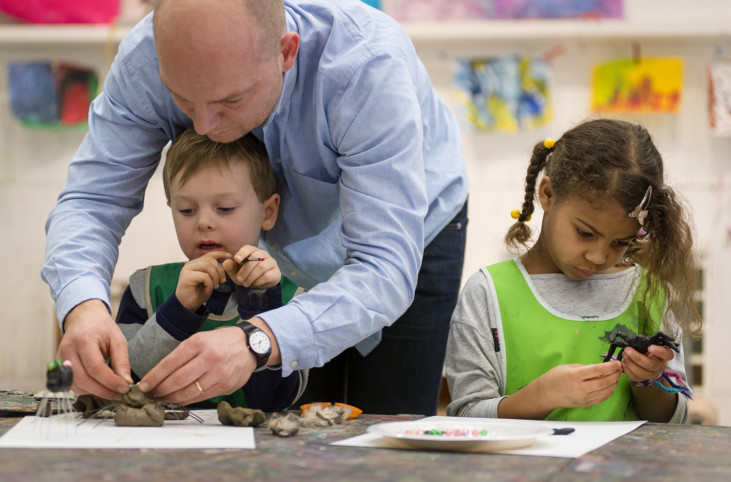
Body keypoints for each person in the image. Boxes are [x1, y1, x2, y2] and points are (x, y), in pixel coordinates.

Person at [42, 0, 468, 415]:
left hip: (411, 236)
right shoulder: (147, 60)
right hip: (277, 258)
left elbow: (383, 267)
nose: (204, 127)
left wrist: (257, 339)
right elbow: (92, 199)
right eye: (184, 102)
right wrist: (82, 310)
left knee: (387, 432)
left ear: (286, 52)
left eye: (229, 100)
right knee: (291, 433)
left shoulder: (366, 66)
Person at [445, 119, 698, 422]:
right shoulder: (488, 293)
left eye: (620, 242)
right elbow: (466, 418)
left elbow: (675, 423)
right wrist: (542, 397)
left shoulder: (651, 294)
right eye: (585, 233)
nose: (598, 255)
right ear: (548, 194)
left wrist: (647, 382)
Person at [116, 127, 305, 411]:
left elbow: (275, 401)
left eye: (225, 208)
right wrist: (177, 312)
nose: (204, 222)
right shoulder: (147, 286)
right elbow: (126, 382)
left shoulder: (294, 299)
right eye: (187, 210)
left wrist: (263, 309)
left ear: (267, 212)